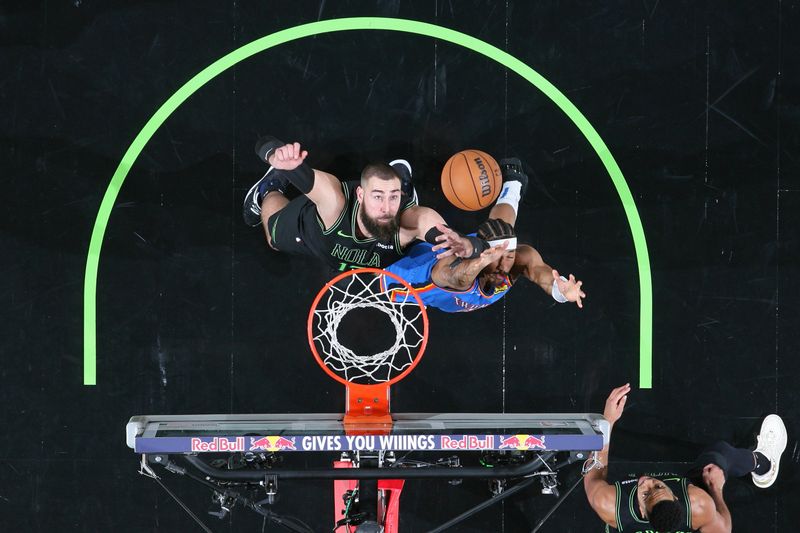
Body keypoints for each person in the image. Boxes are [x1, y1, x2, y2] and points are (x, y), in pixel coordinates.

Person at [242, 136, 487, 273]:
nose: (386, 207)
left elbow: (430, 225)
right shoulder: (335, 203)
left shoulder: (407, 221)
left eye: (393, 196)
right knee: (272, 241)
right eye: (377, 196)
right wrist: (280, 159)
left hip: (374, 257)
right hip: (312, 236)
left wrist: (468, 244)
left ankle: (400, 179)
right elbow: (263, 144)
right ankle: (269, 188)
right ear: (360, 195)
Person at [382, 158, 585, 312]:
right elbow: (456, 278)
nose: (503, 267)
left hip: (471, 249)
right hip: (405, 274)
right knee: (391, 238)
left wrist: (560, 291)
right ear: (481, 255)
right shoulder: (453, 267)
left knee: (502, 231)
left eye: (509, 258)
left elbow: (540, 272)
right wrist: (481, 263)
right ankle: (403, 202)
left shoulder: (511, 261)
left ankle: (513, 185)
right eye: (496, 260)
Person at [584, 384, 788, 532]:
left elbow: (594, 472)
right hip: (696, 495)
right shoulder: (698, 505)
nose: (647, 483)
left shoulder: (608, 504)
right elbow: (724, 528)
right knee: (719, 455)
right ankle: (764, 464)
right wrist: (716, 489)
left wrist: (607, 421)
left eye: (646, 494)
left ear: (642, 512)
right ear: (676, 498)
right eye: (657, 488)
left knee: (589, 450)